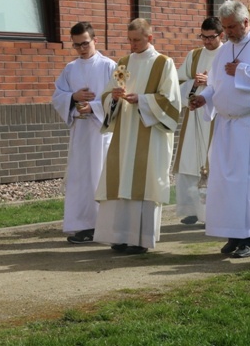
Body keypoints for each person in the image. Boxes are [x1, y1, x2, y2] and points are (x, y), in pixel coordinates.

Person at [189, 0, 250, 259]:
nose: (228, 32)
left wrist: (242, 70)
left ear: (246, 22)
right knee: (225, 182)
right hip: (226, 125)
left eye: (231, 27)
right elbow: (217, 83)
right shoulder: (224, 50)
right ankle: (234, 234)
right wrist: (204, 98)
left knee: (248, 182)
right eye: (225, 28)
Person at [93, 18, 181, 254]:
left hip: (150, 134)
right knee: (120, 180)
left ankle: (140, 240)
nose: (132, 45)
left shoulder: (164, 63)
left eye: (137, 40)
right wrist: (114, 96)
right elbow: (106, 95)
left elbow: (172, 101)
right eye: (130, 40)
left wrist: (141, 99)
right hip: (124, 133)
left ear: (150, 38)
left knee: (144, 182)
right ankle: (119, 236)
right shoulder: (122, 63)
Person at [52, 22, 116, 244]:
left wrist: (95, 107)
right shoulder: (70, 69)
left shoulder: (109, 66)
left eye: (85, 43)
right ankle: (83, 225)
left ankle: (104, 225)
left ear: (95, 40)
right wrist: (73, 98)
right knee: (80, 178)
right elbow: (58, 95)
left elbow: (117, 98)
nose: (81, 48)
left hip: (101, 132)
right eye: (77, 45)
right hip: (80, 131)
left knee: (99, 176)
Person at [173, 17, 223, 225]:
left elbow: (233, 84)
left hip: (216, 119)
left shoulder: (227, 54)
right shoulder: (194, 56)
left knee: (214, 163)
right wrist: (194, 85)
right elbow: (177, 83)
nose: (206, 41)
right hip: (194, 117)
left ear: (221, 35)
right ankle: (193, 210)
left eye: (211, 37)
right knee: (189, 161)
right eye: (203, 37)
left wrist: (209, 81)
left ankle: (214, 211)